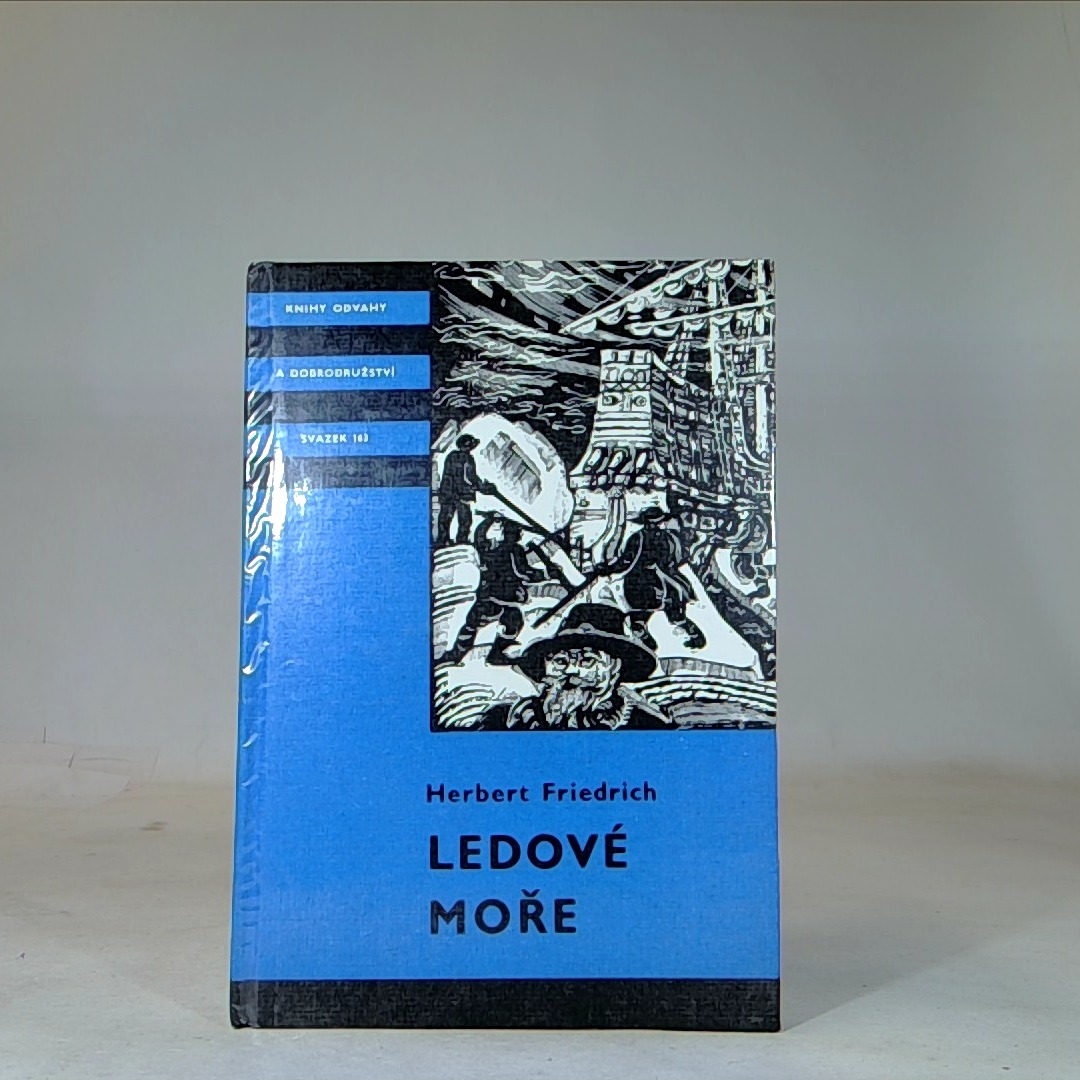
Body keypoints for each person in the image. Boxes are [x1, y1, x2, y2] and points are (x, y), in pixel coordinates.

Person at [477, 603, 669, 730]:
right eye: (560, 662)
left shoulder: (645, 725)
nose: (570, 671)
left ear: (614, 668)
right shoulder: (503, 721)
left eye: (587, 661)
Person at [441, 513, 548, 666]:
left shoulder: (490, 549)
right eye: (519, 532)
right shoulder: (514, 549)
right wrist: (546, 574)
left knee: (472, 625)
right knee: (512, 625)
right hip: (505, 599)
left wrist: (488, 520)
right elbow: (523, 572)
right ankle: (494, 654)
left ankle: (456, 655)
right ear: (515, 534)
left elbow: (479, 538)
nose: (520, 535)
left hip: (488, 596)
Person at [607, 505, 706, 651]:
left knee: (638, 619)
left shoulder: (638, 538)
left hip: (644, 583)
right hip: (670, 582)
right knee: (676, 616)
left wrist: (607, 569)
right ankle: (696, 638)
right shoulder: (670, 537)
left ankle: (649, 646)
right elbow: (680, 558)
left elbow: (626, 561)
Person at [436, 434, 493, 546]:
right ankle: (458, 541)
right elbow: (469, 477)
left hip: (450, 494)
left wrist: (479, 486)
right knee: (463, 520)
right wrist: (481, 487)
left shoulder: (454, 456)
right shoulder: (466, 458)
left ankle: (445, 540)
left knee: (449, 519)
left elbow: (468, 477)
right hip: (458, 495)